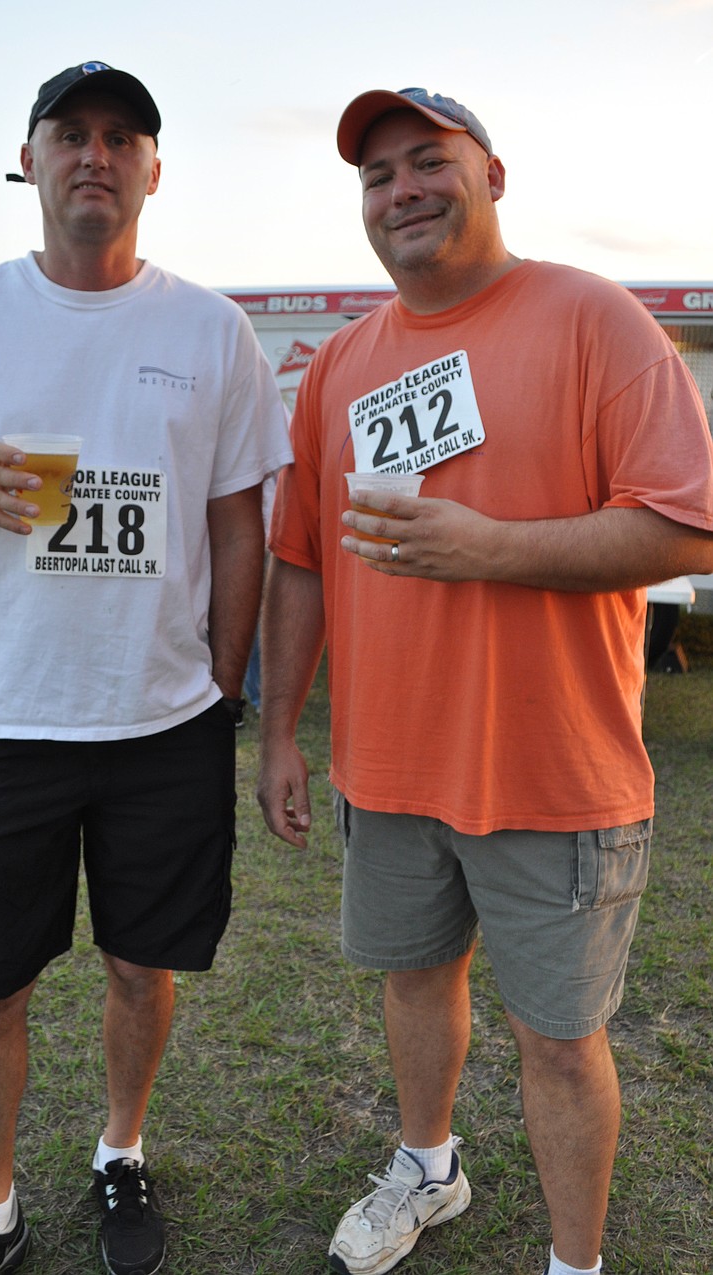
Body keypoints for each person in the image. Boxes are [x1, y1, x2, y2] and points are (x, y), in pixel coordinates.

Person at [257, 86, 713, 1275]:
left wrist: (493, 548)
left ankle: (576, 1264)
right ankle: (427, 1168)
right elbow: (300, 558)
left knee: (559, 1042)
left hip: (552, 768)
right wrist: (280, 733)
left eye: (427, 161)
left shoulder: (592, 320)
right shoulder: (343, 363)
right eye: (376, 175)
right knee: (414, 984)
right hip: (392, 765)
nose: (401, 189)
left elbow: (686, 526)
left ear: (491, 175)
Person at [0, 61, 291, 1275]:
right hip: (8, 723)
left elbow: (235, 520)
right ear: (32, 160)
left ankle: (120, 1149)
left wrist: (222, 681)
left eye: (122, 137)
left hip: (162, 725)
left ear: (153, 169)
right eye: (71, 135)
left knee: (137, 964)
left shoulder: (210, 329)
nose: (95, 155)